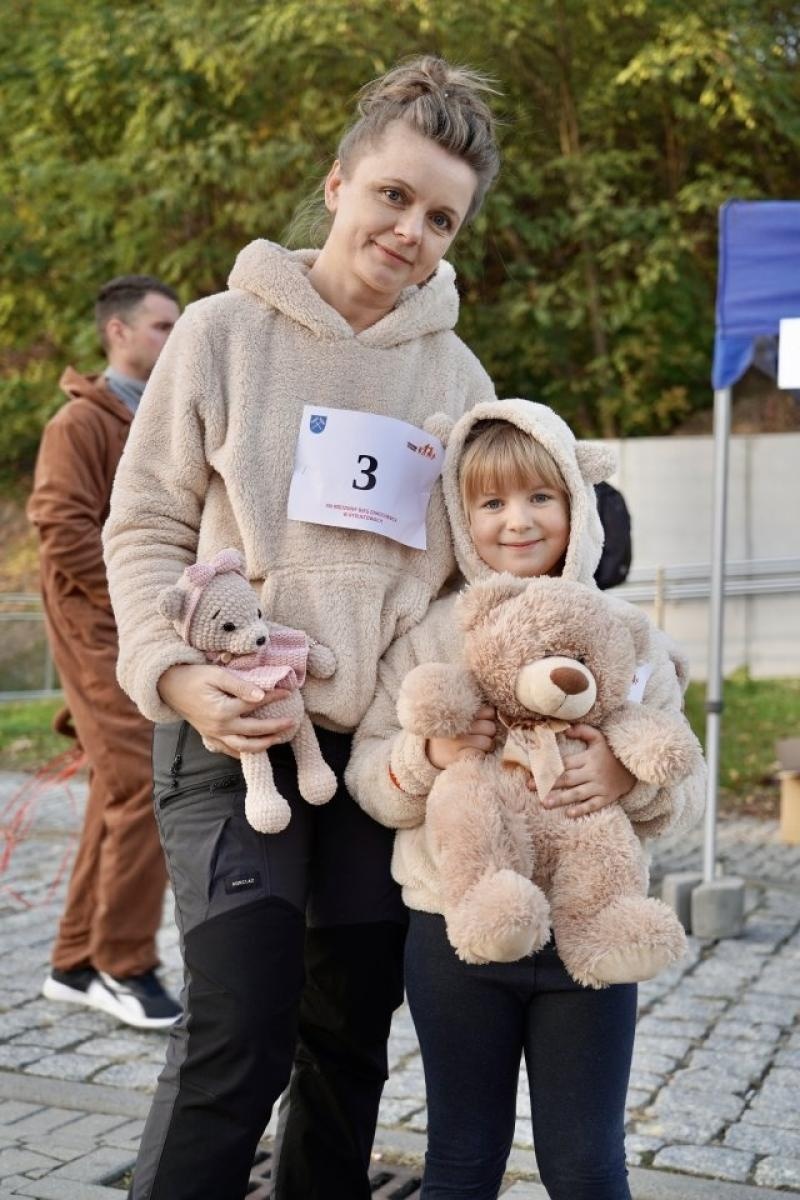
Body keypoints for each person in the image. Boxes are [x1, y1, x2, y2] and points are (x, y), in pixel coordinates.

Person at [102, 57, 505, 1200]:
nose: (410, 231)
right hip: (229, 734)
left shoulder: (453, 372)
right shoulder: (225, 333)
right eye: (392, 195)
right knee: (239, 1031)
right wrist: (176, 677)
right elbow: (142, 524)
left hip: (370, 761)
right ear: (335, 185)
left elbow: (459, 583)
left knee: (346, 1042)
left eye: (439, 217)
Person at [346, 399, 706, 1200]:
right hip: (456, 932)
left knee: (585, 1163)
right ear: (459, 514)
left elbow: (690, 782)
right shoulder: (430, 636)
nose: (518, 522)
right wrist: (426, 755)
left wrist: (629, 774)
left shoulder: (626, 633)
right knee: (462, 1159)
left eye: (540, 497)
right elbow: (370, 778)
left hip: (592, 929)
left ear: (577, 504)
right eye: (492, 503)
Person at [28, 275, 182, 1029]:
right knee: (144, 787)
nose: (174, 337)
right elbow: (60, 528)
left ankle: (73, 960)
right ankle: (125, 966)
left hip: (144, 634)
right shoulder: (79, 425)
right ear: (117, 332)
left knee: (113, 793)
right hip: (99, 635)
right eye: (161, 326)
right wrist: (140, 598)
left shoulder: (157, 418)